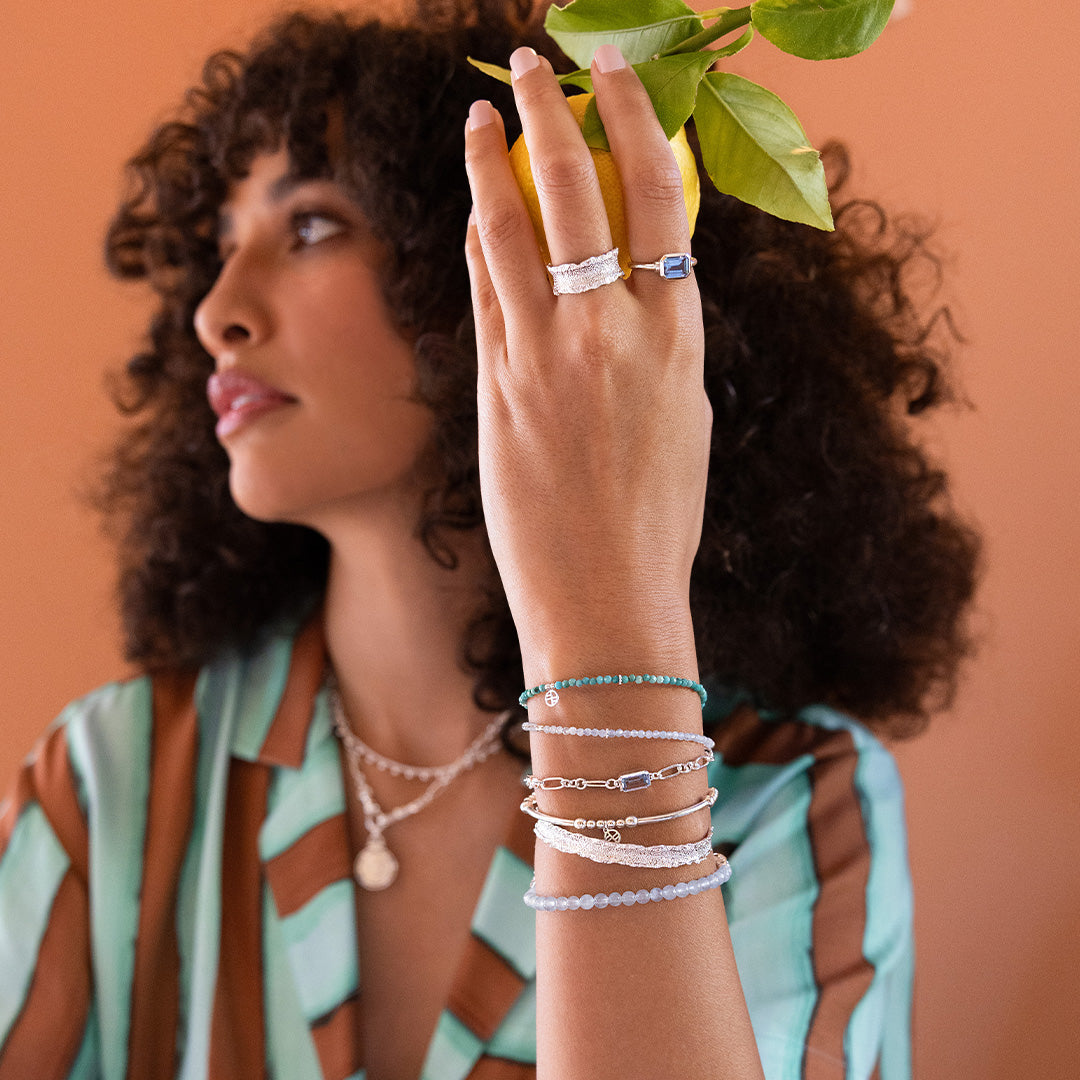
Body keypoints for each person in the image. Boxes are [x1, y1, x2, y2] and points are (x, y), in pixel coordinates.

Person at [0, 2, 979, 1077]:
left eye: (313, 224)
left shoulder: (794, 795)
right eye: (220, 250)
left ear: (504, 266)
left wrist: (609, 607)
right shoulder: (108, 780)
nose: (216, 312)